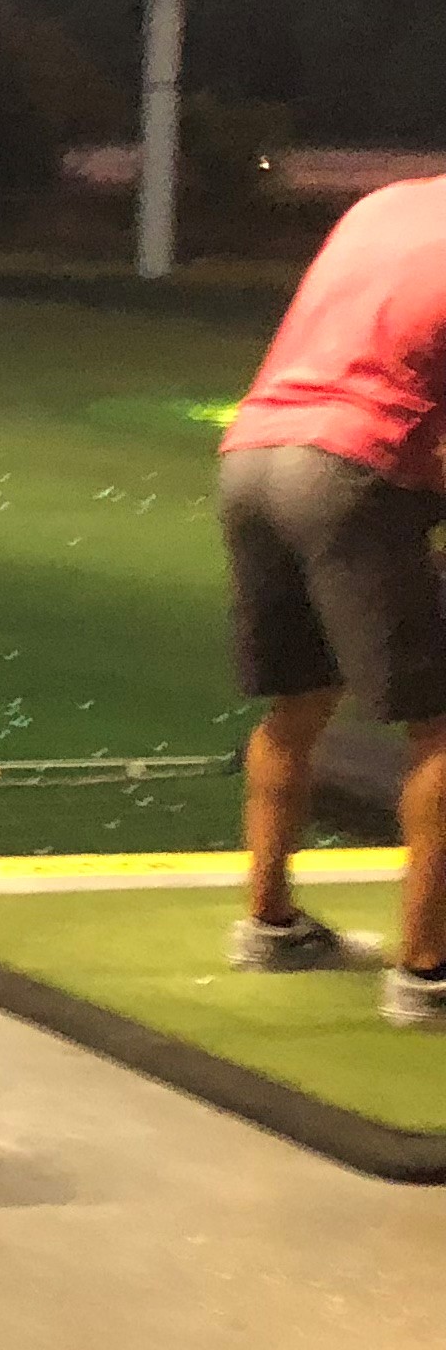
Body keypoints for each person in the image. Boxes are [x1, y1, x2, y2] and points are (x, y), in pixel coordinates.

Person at [215, 168, 446, 1021]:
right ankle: (428, 974)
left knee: (300, 702)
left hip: (252, 458)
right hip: (350, 470)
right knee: (441, 727)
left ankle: (269, 924)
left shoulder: (387, 203)